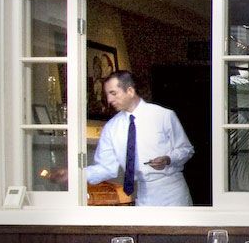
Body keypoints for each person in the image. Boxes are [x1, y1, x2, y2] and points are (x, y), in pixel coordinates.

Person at [83, 70, 194, 206]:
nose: (109, 100)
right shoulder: (112, 128)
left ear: (130, 91)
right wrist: (76, 175)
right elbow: (106, 168)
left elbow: (186, 149)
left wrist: (168, 159)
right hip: (142, 195)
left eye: (113, 93)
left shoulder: (163, 116)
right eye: (106, 95)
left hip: (172, 193)